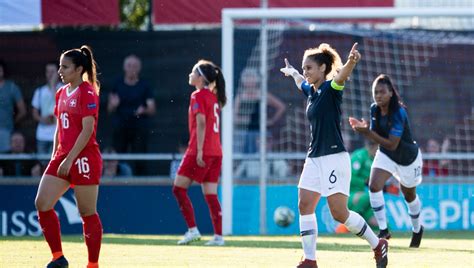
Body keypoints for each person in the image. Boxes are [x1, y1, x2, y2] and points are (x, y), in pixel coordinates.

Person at [280, 43, 388, 268]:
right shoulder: (312, 91)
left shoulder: (331, 89)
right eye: (304, 68)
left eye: (309, 68)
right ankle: (310, 260)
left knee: (339, 213)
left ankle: (377, 244)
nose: (306, 71)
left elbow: (342, 77)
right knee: (304, 204)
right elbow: (301, 84)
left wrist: (351, 62)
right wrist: (294, 73)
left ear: (322, 69)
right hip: (314, 158)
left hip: (334, 158)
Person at [35, 45, 103, 268]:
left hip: (84, 158)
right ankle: (58, 257)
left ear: (79, 69)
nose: (60, 71)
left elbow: (87, 130)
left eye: (65, 67)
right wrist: (56, 154)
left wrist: (70, 158)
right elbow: (59, 127)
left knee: (87, 212)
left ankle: (92, 264)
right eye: (60, 66)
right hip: (63, 156)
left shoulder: (87, 92)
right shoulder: (61, 92)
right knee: (42, 203)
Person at [349, 74, 424, 249]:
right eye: (375, 92)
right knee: (374, 186)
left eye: (382, 92)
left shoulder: (399, 112)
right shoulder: (374, 109)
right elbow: (379, 138)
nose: (378, 95)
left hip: (408, 159)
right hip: (387, 155)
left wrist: (366, 132)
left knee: (409, 195)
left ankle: (417, 229)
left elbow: (392, 143)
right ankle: (383, 230)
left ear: (391, 93)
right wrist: (365, 128)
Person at [172, 59, 226, 246]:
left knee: (178, 189)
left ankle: (192, 230)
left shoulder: (198, 95)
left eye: (193, 72)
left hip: (199, 149)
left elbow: (202, 122)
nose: (190, 74)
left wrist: (200, 150)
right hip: (216, 151)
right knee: (211, 195)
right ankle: (218, 236)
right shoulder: (213, 97)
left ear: (201, 78)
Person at [107, 54, 155, 175]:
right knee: (117, 158)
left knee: (140, 159)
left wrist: (143, 110)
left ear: (139, 68)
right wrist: (113, 104)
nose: (131, 68)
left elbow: (152, 108)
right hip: (120, 127)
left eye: (134, 66)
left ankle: (142, 184)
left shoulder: (145, 86)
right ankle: (117, 182)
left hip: (139, 127)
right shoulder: (117, 84)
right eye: (129, 65)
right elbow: (109, 109)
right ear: (124, 67)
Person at [234, 67, 286, 153]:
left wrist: (272, 120)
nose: (249, 81)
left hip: (261, 133)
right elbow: (234, 117)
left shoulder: (262, 94)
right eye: (247, 79)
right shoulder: (240, 97)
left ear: (256, 80)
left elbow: (281, 107)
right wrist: (244, 120)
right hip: (245, 134)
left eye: (251, 78)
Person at [32, 61, 63, 155]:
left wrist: (53, 86)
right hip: (42, 134)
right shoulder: (40, 91)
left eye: (52, 72)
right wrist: (42, 119)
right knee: (42, 163)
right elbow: (35, 113)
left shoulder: (65, 88)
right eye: (48, 72)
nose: (50, 74)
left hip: (58, 133)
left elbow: (61, 104)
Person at [0, 60, 27, 153]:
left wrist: (13, 122)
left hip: (6, 130)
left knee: (5, 159)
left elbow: (22, 110)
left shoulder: (11, 87)